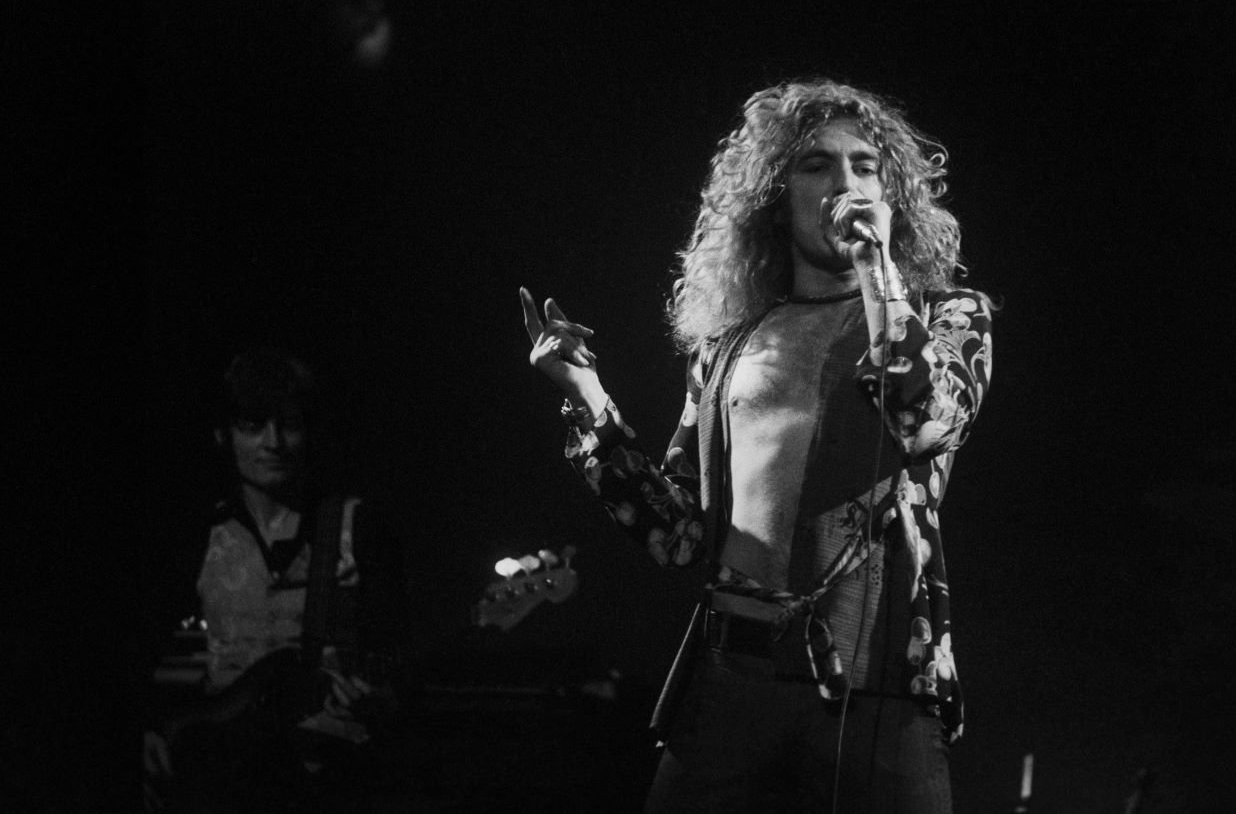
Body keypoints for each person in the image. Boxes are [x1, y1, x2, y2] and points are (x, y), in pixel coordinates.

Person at [520, 78, 994, 813]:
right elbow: (678, 535)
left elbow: (921, 420)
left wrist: (877, 265)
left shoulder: (948, 317)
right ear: (777, 195)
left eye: (866, 165)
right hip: (731, 688)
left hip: (877, 691)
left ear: (893, 190)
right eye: (817, 165)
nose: (847, 182)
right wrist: (589, 399)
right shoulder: (728, 346)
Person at [141, 347, 409, 813]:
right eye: (253, 425)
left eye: (289, 424)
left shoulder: (355, 527)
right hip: (224, 772)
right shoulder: (202, 536)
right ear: (223, 435)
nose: (274, 442)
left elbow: (393, 646)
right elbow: (145, 647)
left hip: (330, 768)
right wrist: (151, 728)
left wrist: (379, 695)